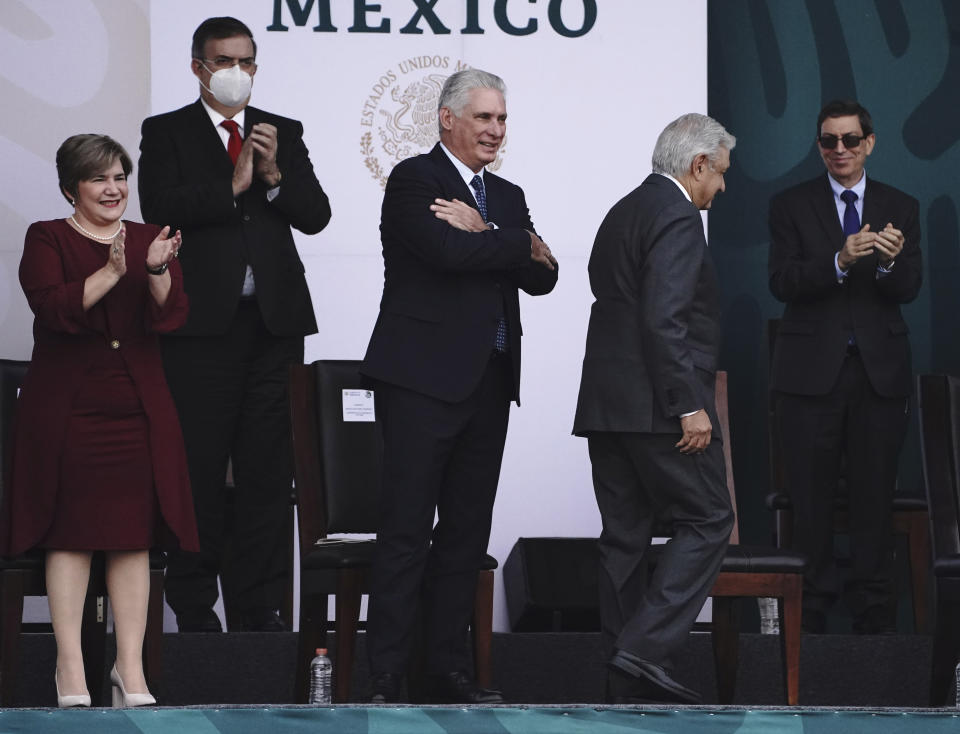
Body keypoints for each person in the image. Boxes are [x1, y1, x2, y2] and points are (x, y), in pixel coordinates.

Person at [360, 68, 558, 704]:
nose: (496, 130)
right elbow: (448, 256)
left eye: (501, 119)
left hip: (489, 384)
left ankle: (444, 670)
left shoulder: (506, 194)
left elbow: (543, 279)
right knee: (406, 529)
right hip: (419, 382)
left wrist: (495, 234)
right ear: (447, 118)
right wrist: (517, 243)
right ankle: (387, 673)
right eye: (483, 118)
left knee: (467, 533)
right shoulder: (415, 179)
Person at [138, 16, 331, 633]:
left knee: (268, 473)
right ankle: (195, 610)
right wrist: (234, 181)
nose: (235, 72)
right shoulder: (166, 132)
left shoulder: (283, 132)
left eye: (246, 61)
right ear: (198, 67)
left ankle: (258, 608)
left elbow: (318, 215)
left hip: (273, 328)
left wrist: (274, 180)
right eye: (223, 61)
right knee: (196, 467)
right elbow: (158, 208)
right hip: (199, 330)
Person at [0, 134, 197, 707]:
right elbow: (53, 310)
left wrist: (156, 269)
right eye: (98, 180)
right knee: (72, 536)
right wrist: (114, 272)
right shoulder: (48, 237)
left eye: (119, 177)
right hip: (67, 407)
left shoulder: (148, 237)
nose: (114, 189)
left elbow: (170, 314)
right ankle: (70, 669)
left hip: (137, 404)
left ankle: (129, 672)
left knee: (133, 539)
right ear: (72, 188)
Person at [572, 113, 736, 704]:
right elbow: (665, 317)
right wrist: (687, 404)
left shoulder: (624, 209)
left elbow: (603, 288)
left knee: (624, 537)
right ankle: (641, 651)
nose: (720, 188)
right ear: (697, 165)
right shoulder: (677, 215)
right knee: (711, 518)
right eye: (719, 174)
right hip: (658, 409)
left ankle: (622, 683)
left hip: (606, 407)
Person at [768, 100, 922, 634]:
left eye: (850, 141)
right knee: (808, 502)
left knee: (874, 499)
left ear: (870, 144)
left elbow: (908, 290)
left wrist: (886, 261)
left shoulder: (901, 205)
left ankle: (874, 619)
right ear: (818, 146)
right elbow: (782, 283)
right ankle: (809, 617)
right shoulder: (790, 204)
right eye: (829, 141)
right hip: (810, 378)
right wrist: (839, 260)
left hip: (879, 375)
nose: (840, 151)